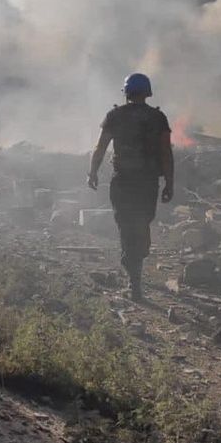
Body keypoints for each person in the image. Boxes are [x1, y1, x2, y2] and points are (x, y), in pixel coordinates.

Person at [87, 73, 174, 301]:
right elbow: (166, 153)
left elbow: (100, 148)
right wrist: (169, 183)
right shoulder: (158, 118)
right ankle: (135, 272)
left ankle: (132, 271)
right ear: (147, 93)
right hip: (147, 183)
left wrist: (93, 172)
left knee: (126, 227)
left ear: (126, 93)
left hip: (123, 182)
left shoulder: (115, 116)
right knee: (142, 224)